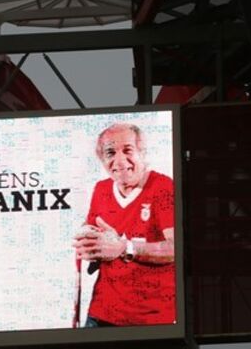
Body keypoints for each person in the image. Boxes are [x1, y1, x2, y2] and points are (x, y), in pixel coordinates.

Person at [72, 123, 175, 326]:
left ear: (142, 152)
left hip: (151, 317)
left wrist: (124, 247)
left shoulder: (162, 187)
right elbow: (92, 226)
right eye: (110, 153)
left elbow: (176, 249)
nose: (119, 161)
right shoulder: (101, 189)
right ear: (102, 160)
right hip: (102, 312)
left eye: (127, 150)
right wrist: (87, 238)